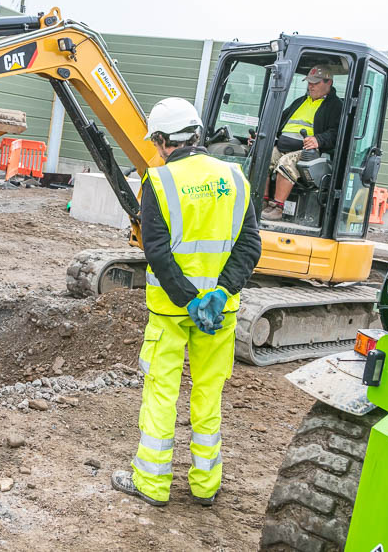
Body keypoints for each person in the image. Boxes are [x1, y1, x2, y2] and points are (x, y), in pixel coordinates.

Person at [111, 97, 262, 508]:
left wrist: (189, 299)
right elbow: (249, 246)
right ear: (197, 134)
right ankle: (205, 485)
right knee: (208, 395)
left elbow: (156, 253)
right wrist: (219, 293)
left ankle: (153, 483)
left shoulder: (158, 182)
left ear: (162, 140)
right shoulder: (235, 177)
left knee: (162, 392)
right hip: (220, 313)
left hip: (171, 312)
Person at [261, 65, 342, 220]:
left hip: (308, 151)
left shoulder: (335, 106)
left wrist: (318, 139)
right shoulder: (300, 101)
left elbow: (336, 132)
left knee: (286, 163)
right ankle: (262, 201)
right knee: (262, 156)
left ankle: (277, 207)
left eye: (315, 82)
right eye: (309, 82)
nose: (311, 86)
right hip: (283, 145)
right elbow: (279, 121)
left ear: (328, 82)